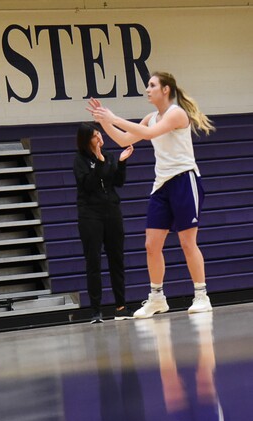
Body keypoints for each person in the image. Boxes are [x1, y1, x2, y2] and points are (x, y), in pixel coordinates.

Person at [88, 71, 215, 318]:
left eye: (152, 85)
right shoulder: (151, 117)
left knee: (187, 242)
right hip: (162, 185)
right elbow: (125, 139)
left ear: (165, 89)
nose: (148, 89)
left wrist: (114, 116)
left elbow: (147, 135)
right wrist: (104, 121)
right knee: (151, 245)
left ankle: (201, 295)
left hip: (184, 179)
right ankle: (157, 298)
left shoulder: (176, 113)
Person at [73, 122, 134, 323]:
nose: (99, 137)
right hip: (90, 214)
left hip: (112, 212)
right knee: (94, 261)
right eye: (94, 135)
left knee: (117, 259)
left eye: (99, 133)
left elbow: (118, 182)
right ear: (86, 140)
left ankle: (121, 306)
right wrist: (98, 162)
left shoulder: (108, 156)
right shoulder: (80, 160)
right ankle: (96, 310)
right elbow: (89, 185)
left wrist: (122, 162)